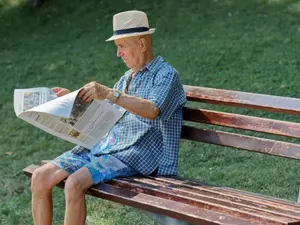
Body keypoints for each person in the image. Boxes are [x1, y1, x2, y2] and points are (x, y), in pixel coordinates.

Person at [30, 10, 186, 225]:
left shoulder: (166, 75)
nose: (118, 54)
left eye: (122, 46)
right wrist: (71, 100)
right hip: (105, 146)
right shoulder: (127, 78)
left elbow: (152, 110)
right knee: (40, 177)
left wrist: (110, 93)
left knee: (74, 183)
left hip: (136, 154)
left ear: (141, 44)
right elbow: (106, 112)